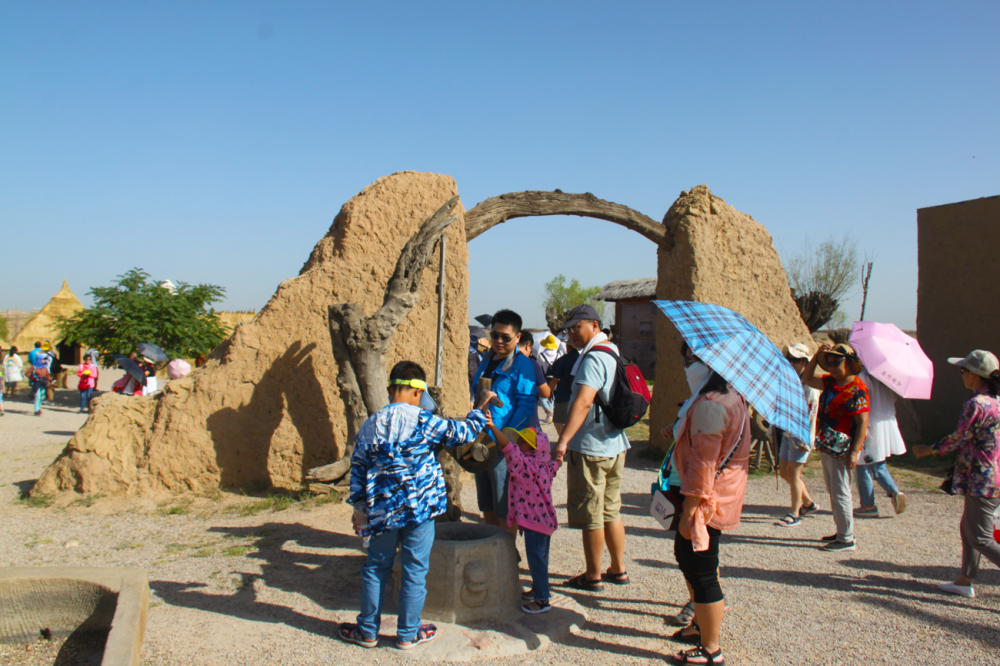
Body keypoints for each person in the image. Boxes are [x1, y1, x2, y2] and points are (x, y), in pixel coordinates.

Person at [339, 361, 494, 650]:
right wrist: (480, 406)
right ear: (418, 392)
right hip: (421, 511)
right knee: (415, 569)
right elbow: (465, 432)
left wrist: (360, 510)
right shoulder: (425, 422)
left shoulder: (371, 424)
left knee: (375, 567)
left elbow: (358, 471)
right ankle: (408, 634)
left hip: (382, 512)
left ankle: (368, 632)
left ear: (389, 389)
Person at [669, 367, 751, 666]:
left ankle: (711, 648)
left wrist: (691, 506)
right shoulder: (732, 396)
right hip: (722, 492)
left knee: (701, 568)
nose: (688, 366)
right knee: (690, 558)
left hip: (707, 497)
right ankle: (701, 627)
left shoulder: (711, 405)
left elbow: (704, 461)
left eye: (693, 359)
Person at [552, 304, 630, 591]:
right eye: (569, 329)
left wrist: (563, 440)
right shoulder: (611, 351)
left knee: (591, 514)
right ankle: (618, 569)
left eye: (578, 327)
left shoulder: (593, 358)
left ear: (595, 326)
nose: (572, 333)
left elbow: (584, 401)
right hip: (614, 443)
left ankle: (593, 574)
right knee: (611, 510)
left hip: (591, 447)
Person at [914, 350, 1000, 599]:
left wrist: (929, 450)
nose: (961, 375)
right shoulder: (995, 401)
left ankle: (966, 580)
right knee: (968, 529)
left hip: (982, 478)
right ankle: (965, 580)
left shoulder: (977, 404)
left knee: (981, 536)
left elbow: (959, 438)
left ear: (974, 375)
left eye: (963, 371)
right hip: (990, 475)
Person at [469, 309, 539, 529]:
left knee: (504, 503)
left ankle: (506, 555)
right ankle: (491, 549)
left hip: (502, 445)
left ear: (518, 337)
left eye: (505, 337)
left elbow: (526, 405)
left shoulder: (523, 365)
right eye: (495, 335)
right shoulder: (487, 358)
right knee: (487, 501)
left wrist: (506, 438)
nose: (499, 340)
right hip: (482, 440)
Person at [486, 422, 560, 614]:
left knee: (536, 560)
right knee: (541, 559)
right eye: (518, 440)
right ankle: (539, 588)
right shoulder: (545, 466)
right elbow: (556, 464)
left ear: (535, 449)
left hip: (534, 523)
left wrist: (492, 427)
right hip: (546, 521)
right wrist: (560, 457)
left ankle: (542, 600)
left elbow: (507, 447)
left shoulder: (524, 465)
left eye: (524, 442)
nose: (518, 444)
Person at [803, 343, 870, 552]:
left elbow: (862, 423)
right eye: (829, 362)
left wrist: (854, 452)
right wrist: (816, 356)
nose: (831, 366)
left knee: (841, 491)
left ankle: (846, 537)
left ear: (849, 363)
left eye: (836, 361)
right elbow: (806, 378)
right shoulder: (832, 382)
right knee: (834, 490)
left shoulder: (857, 389)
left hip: (843, 448)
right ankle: (841, 530)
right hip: (827, 445)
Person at [773, 343, 821, 527]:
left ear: (804, 362)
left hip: (800, 436)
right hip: (788, 432)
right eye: (789, 359)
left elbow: (811, 413)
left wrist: (805, 438)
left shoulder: (810, 386)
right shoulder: (791, 381)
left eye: (796, 360)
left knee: (793, 473)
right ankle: (808, 503)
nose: (791, 362)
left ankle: (795, 513)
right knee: (785, 471)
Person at [854, 368, 908, 518]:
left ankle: (885, 496)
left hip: (870, 422)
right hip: (887, 420)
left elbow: (861, 399)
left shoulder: (864, 377)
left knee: (866, 464)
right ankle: (870, 501)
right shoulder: (889, 376)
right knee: (872, 462)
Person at [518, 332, 552, 423]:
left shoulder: (499, 361)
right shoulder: (531, 363)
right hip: (526, 417)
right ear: (527, 346)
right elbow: (545, 393)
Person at [546, 343, 579, 436]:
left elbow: (555, 379)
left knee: (558, 420)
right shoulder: (582, 359)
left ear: (568, 346)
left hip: (564, 395)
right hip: (579, 394)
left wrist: (549, 391)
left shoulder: (563, 360)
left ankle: (565, 441)